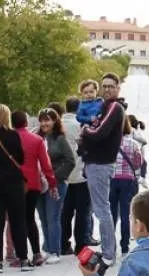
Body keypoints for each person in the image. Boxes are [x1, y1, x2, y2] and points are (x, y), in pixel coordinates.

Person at [80, 72, 126, 276]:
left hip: (100, 163)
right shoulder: (105, 107)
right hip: (96, 162)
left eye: (110, 86)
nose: (107, 89)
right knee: (102, 209)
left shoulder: (114, 107)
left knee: (101, 210)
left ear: (118, 88)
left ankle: (108, 253)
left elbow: (99, 132)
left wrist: (85, 132)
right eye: (104, 86)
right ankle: (109, 250)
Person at [0, 104, 30, 273]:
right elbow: (21, 159)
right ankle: (23, 259)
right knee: (18, 221)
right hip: (14, 183)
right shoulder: (13, 135)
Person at [13, 110, 59, 268]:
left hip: (14, 184)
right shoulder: (37, 139)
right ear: (26, 122)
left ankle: (21, 256)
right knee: (30, 218)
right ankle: (37, 253)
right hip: (33, 184)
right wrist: (52, 184)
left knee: (17, 220)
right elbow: (46, 165)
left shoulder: (8, 139)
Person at [36, 108, 75, 264]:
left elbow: (70, 161)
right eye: (42, 120)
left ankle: (55, 251)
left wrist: (54, 176)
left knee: (53, 217)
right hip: (39, 184)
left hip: (56, 184)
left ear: (55, 121)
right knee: (43, 217)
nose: (45, 123)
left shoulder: (60, 139)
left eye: (48, 120)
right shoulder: (37, 137)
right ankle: (47, 248)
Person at [61, 96, 90, 256]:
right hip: (81, 174)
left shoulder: (58, 125)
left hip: (63, 176)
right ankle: (81, 244)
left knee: (65, 212)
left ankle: (63, 243)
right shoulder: (81, 125)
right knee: (82, 212)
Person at [111, 118, 144, 257]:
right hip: (128, 181)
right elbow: (138, 164)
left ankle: (110, 247)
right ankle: (124, 247)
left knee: (111, 214)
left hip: (112, 180)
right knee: (125, 215)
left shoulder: (109, 144)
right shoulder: (134, 144)